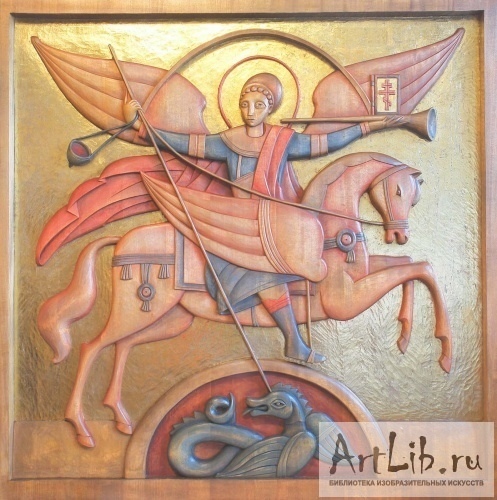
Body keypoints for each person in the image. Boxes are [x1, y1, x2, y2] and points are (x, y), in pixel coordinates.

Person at [124, 73, 405, 364]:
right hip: (241, 224)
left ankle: (299, 320)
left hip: (276, 221)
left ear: (270, 108)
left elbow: (325, 143)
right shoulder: (229, 141)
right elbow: (183, 144)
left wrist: (369, 127)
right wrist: (142, 127)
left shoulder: (282, 141)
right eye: (245, 105)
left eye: (258, 105)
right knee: (264, 271)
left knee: (298, 244)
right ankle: (293, 340)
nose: (250, 112)